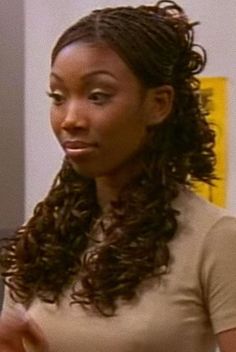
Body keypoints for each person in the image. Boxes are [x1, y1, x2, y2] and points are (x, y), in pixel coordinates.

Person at [0, 1, 236, 351]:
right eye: (58, 97)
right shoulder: (43, 238)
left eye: (97, 96)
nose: (70, 119)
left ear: (159, 104)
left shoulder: (214, 239)